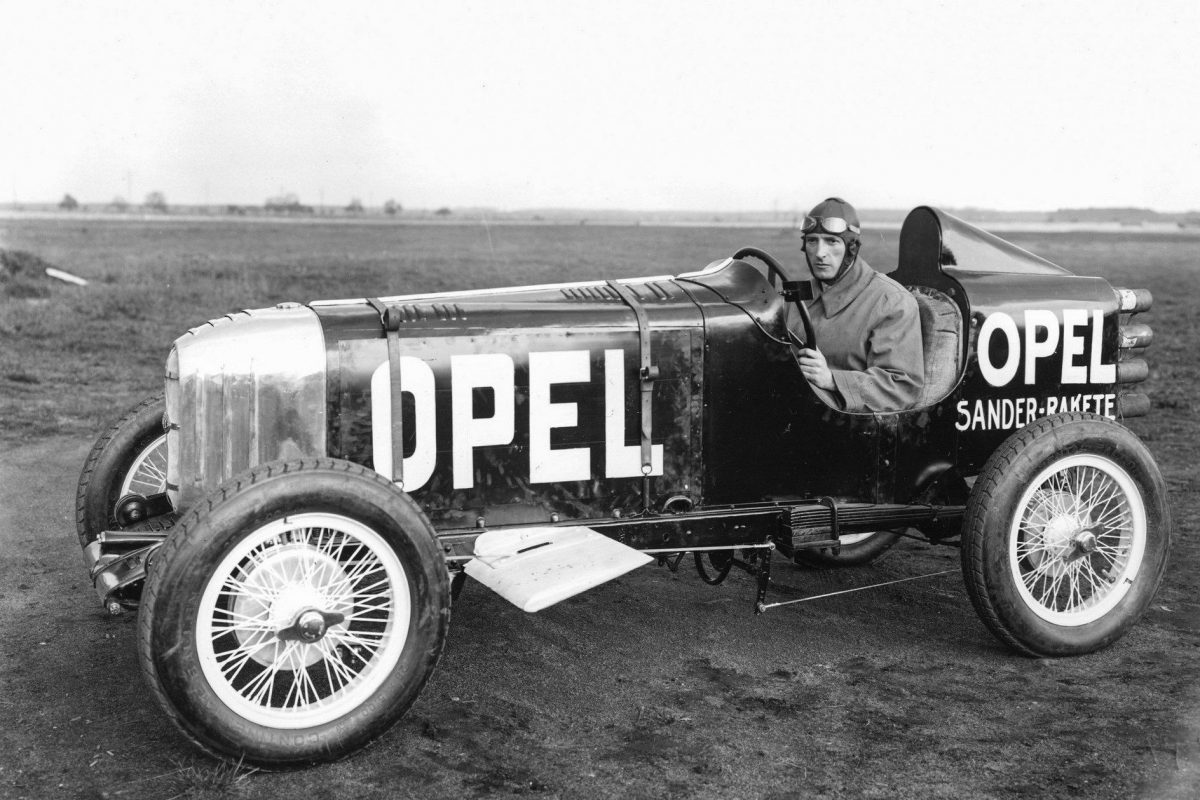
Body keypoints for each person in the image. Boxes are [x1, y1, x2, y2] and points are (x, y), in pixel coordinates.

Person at [793, 197, 924, 412]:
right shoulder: (797, 297)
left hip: (843, 422)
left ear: (851, 247)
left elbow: (901, 386)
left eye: (832, 241)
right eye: (812, 241)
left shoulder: (891, 301)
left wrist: (831, 379)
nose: (819, 253)